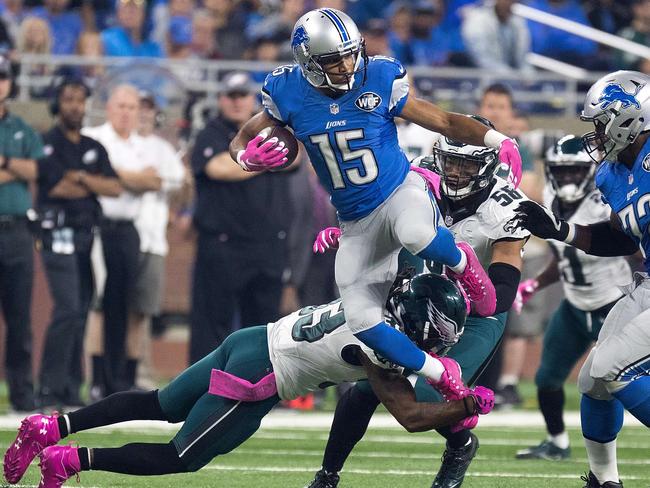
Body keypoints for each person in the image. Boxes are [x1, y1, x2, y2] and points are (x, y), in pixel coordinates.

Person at [229, 8, 522, 392]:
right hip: (355, 220)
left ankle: (465, 264)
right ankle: (439, 373)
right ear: (309, 63)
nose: (348, 65)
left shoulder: (379, 77)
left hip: (400, 191)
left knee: (417, 233)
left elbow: (444, 121)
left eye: (352, 53)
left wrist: (498, 140)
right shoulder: (286, 92)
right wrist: (244, 158)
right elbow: (242, 136)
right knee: (362, 320)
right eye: (335, 60)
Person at [3, 273, 495, 487]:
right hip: (261, 374)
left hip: (254, 338)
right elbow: (410, 417)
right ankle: (69, 460)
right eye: (437, 336)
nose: (438, 347)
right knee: (182, 457)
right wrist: (466, 407)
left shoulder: (382, 287)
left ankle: (51, 428)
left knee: (159, 402)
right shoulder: (379, 346)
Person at [306, 117, 529, 488]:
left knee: (427, 391)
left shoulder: (506, 207)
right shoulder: (419, 178)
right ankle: (327, 475)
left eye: (467, 165)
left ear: (489, 168)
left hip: (476, 313)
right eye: (451, 162)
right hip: (415, 297)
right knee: (368, 386)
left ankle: (459, 445)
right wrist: (353, 237)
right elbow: (377, 220)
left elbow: (502, 293)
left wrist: (460, 295)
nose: (456, 173)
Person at [509, 70, 650, 487]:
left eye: (600, 121)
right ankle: (605, 480)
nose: (596, 133)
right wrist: (560, 229)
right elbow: (620, 237)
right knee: (593, 380)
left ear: (630, 117)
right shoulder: (610, 174)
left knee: (611, 366)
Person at [513, 135, 632, 461]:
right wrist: (534, 284)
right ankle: (557, 443)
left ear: (589, 172)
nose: (566, 178)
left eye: (574, 171)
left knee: (621, 382)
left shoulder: (605, 202)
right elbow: (566, 257)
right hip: (576, 306)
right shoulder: (550, 198)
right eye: (561, 171)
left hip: (614, 303)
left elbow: (632, 249)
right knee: (547, 378)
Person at [189, 71, 295, 364]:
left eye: (242, 96)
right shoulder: (211, 132)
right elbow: (216, 167)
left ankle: (258, 385)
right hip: (224, 244)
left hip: (267, 244)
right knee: (212, 321)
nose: (237, 103)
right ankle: (205, 386)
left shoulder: (271, 128)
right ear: (221, 100)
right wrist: (258, 161)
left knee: (264, 327)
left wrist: (251, 161)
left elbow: (295, 156)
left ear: (253, 100)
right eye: (231, 96)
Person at [36, 77, 121, 409]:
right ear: (57, 103)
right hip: (58, 233)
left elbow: (114, 188)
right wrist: (93, 184)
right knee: (68, 309)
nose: (74, 106)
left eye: (80, 99)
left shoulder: (92, 146)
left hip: (89, 235)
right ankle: (48, 389)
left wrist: (83, 179)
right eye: (68, 99)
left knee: (82, 311)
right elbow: (56, 188)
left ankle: (71, 388)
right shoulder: (47, 144)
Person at [83, 84, 162, 397]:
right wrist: (130, 178)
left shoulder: (141, 145)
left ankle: (119, 379)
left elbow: (154, 180)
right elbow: (100, 179)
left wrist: (116, 175)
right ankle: (99, 379)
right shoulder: (94, 137)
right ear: (109, 107)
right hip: (99, 224)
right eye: (122, 106)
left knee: (124, 305)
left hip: (130, 227)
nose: (127, 113)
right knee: (100, 304)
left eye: (132, 107)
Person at [127, 91, 185, 388]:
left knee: (143, 310)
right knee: (109, 308)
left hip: (153, 238)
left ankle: (138, 370)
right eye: (140, 108)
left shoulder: (162, 149)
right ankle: (116, 373)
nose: (144, 115)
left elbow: (180, 186)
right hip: (119, 235)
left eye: (149, 109)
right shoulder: (120, 143)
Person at [0, 53, 43, 413]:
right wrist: (16, 167)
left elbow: (35, 169)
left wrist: (4, 162)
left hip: (15, 231)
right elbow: (24, 168)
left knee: (19, 317)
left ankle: (21, 395)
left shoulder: (21, 128)